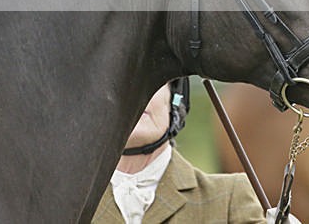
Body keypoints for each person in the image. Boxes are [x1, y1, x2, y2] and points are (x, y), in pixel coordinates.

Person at [92, 78, 269, 224]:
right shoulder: (67, 197)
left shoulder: (229, 197)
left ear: (175, 99)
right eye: (120, 85)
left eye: (150, 84)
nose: (134, 96)